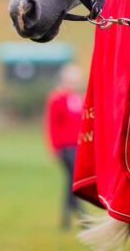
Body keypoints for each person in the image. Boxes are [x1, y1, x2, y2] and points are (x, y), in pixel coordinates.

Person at [43, 64, 85, 230]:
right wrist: (53, 147)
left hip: (77, 145)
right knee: (73, 180)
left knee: (70, 182)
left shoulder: (77, 98)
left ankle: (66, 219)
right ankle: (82, 215)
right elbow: (51, 124)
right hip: (65, 147)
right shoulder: (57, 98)